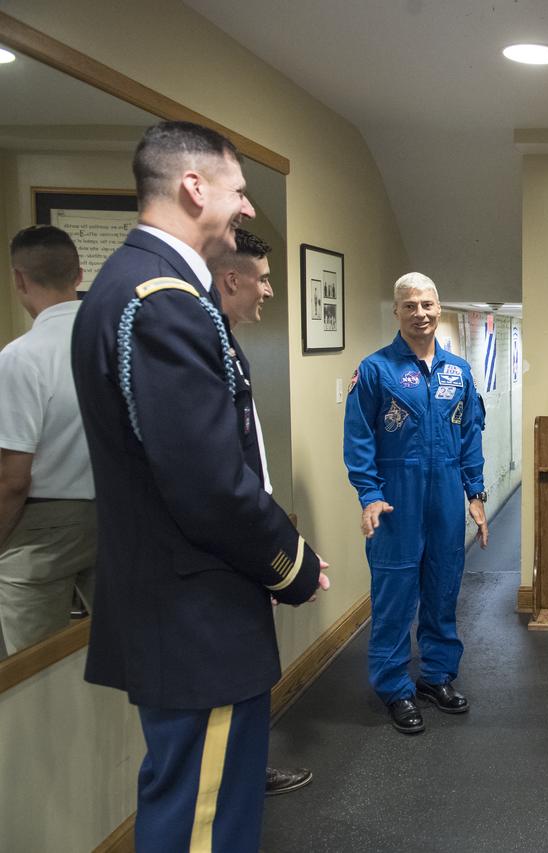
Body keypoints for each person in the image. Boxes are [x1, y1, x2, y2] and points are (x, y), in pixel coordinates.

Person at [70, 120, 327, 852]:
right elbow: (209, 483)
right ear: (193, 186)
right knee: (202, 825)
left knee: (199, 805)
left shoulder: (141, 287)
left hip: (179, 613)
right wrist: (294, 560)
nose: (247, 209)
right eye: (240, 190)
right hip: (196, 619)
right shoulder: (163, 302)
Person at [343, 272, 488, 734]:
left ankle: (437, 676)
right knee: (395, 596)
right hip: (396, 501)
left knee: (444, 590)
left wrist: (476, 493)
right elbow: (359, 439)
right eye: (410, 306)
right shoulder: (375, 370)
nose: (420, 313)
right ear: (396, 312)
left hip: (445, 494)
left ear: (439, 307)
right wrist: (369, 494)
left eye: (427, 304)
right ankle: (394, 687)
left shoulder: (458, 372)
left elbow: (469, 437)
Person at [211, 228, 312, 798]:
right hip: (233, 544)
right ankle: (235, 777)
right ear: (232, 278)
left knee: (252, 670)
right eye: (265, 278)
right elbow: (214, 479)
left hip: (253, 528)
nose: (270, 291)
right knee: (233, 676)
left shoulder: (225, 343)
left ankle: (247, 769)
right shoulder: (197, 341)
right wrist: (278, 550)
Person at [0, 226, 94, 659]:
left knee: (33, 670)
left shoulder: (22, 356)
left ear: (19, 279)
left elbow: (13, 479)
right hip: (117, 515)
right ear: (78, 274)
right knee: (124, 656)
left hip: (43, 526)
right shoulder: (117, 345)